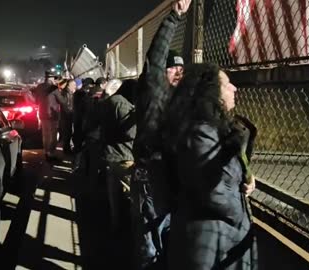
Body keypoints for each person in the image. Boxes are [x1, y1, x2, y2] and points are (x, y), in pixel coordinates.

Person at [162, 64, 258, 270]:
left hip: (217, 237)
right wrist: (239, 215)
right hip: (209, 243)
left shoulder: (212, 127)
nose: (234, 88)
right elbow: (210, 191)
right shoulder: (200, 131)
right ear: (209, 91)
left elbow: (223, 173)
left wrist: (246, 180)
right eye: (226, 84)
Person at [131, 0, 190, 268]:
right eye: (173, 68)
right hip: (150, 177)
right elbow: (156, 57)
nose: (179, 72)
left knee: (169, 236)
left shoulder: (175, 98)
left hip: (170, 176)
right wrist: (174, 17)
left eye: (181, 68)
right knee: (150, 239)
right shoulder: (152, 90)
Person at [100, 79, 138, 229]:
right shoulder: (122, 104)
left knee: (114, 196)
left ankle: (116, 224)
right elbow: (130, 133)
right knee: (130, 194)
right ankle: (127, 227)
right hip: (123, 155)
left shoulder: (110, 101)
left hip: (111, 154)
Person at [33, 71, 60, 160]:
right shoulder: (54, 88)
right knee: (53, 134)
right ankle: (51, 153)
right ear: (51, 78)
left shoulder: (39, 87)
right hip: (53, 114)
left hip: (42, 113)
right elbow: (62, 100)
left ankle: (46, 152)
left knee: (45, 134)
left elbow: (36, 101)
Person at [57, 79, 75, 154]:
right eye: (73, 85)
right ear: (69, 85)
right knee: (67, 133)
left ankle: (67, 148)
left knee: (68, 133)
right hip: (67, 117)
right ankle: (66, 150)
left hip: (66, 116)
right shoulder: (67, 93)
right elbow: (67, 106)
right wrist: (72, 113)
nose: (75, 86)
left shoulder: (67, 92)